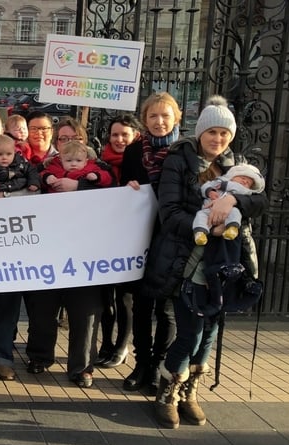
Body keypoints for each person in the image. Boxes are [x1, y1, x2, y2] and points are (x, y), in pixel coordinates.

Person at [145, 95, 268, 429]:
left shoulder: (238, 163)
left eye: (224, 133)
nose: (218, 139)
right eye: (212, 132)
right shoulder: (178, 160)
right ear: (200, 133)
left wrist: (232, 200)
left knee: (210, 331)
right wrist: (210, 228)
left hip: (225, 263)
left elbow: (261, 200)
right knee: (190, 333)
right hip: (187, 260)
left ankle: (190, 392)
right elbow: (170, 213)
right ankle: (167, 392)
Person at [22, 117, 104, 388]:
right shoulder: (45, 167)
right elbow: (32, 186)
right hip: (49, 249)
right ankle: (39, 356)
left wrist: (79, 186)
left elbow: (111, 189)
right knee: (43, 307)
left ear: (84, 141)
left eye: (75, 138)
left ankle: (82, 367)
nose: (69, 143)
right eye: (63, 139)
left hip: (86, 251)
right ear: (57, 142)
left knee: (85, 311)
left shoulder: (98, 166)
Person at [122, 92, 183, 393]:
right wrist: (128, 187)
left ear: (176, 118)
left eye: (165, 116)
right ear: (144, 120)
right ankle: (142, 364)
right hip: (141, 238)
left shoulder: (184, 151)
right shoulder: (134, 151)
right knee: (142, 306)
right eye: (153, 116)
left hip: (172, 239)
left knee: (166, 310)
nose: (159, 122)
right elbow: (122, 191)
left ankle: (159, 364)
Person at [95, 114, 144, 369]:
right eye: (115, 134)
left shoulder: (141, 163)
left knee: (124, 297)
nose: (119, 139)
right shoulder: (101, 163)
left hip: (129, 239)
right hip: (104, 236)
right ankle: (106, 343)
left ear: (136, 136)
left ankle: (122, 346)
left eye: (125, 134)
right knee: (105, 298)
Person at [193, 163, 265, 245]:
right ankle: (200, 233)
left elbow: (243, 191)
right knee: (200, 215)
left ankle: (232, 228)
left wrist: (226, 186)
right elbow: (206, 185)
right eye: (243, 178)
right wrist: (209, 191)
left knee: (235, 213)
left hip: (228, 211)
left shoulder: (243, 190)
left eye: (248, 183)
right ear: (233, 176)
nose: (244, 181)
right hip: (208, 208)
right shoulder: (219, 180)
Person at [0, 134, 40, 198]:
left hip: (20, 191)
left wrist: (33, 182)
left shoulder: (20, 162)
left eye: (9, 154)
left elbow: (32, 171)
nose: (4, 157)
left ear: (14, 152)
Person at [41, 140, 114, 192]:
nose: (73, 164)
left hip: (82, 200)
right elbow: (42, 174)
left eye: (78, 160)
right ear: (61, 160)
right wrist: (47, 177)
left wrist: (97, 176)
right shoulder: (55, 168)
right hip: (57, 200)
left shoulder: (91, 168)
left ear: (85, 161)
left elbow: (107, 178)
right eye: (69, 160)